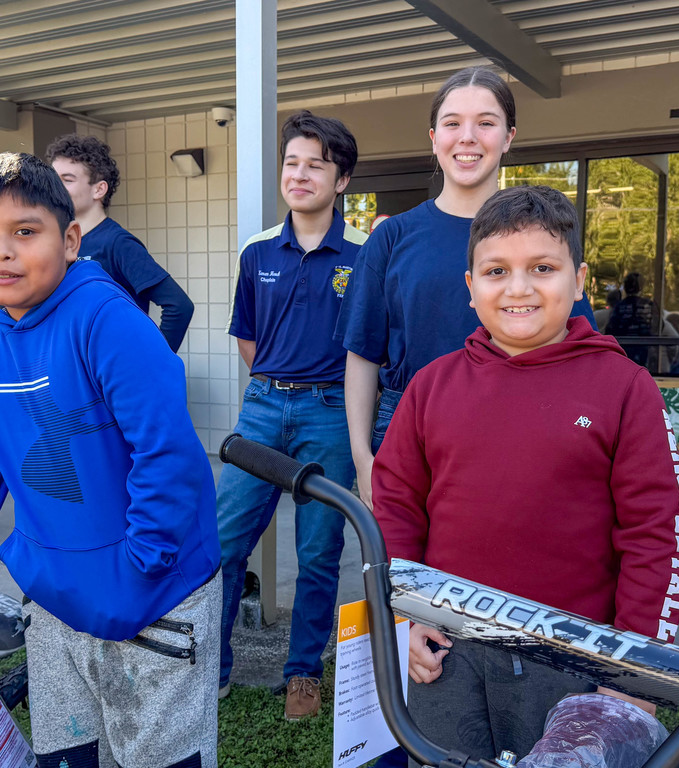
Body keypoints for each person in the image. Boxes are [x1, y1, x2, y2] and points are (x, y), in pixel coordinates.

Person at [372, 185, 679, 760]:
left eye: (542, 268)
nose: (518, 288)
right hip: (445, 651)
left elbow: (655, 535)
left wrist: (636, 672)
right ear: (471, 288)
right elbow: (395, 506)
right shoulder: (431, 386)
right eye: (496, 271)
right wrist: (404, 617)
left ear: (579, 280)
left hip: (575, 662)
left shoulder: (625, 388)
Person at [0, 152, 221, 767]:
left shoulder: (107, 319)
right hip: (53, 592)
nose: (5, 252)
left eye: (25, 231)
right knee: (71, 754)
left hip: (154, 595)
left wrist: (141, 567)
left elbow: (168, 453)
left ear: (70, 240)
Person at [338, 66, 595, 511]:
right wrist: (363, 458)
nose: (468, 137)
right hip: (406, 429)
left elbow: (579, 350)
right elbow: (362, 354)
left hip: (523, 421)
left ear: (509, 137)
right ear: (434, 137)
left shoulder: (541, 234)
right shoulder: (392, 238)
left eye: (486, 123)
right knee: (403, 557)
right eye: (453, 123)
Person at [217, 110, 367, 720]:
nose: (299, 175)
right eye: (291, 163)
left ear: (341, 180)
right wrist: (276, 384)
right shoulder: (257, 251)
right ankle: (211, 669)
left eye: (316, 166)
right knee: (223, 543)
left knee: (319, 551)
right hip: (261, 410)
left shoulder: (364, 253)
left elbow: (371, 347)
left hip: (330, 412)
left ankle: (303, 673)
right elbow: (247, 335)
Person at [46, 134, 194, 352]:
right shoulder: (59, 243)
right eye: (53, 180)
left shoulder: (117, 243)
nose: (55, 189)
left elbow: (179, 306)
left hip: (111, 367)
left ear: (99, 189)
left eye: (67, 180)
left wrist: (154, 360)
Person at [605, 271, 659, 367]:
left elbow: (610, 329)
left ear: (625, 287)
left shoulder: (619, 307)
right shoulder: (649, 305)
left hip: (624, 351)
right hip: (644, 350)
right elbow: (657, 326)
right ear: (641, 287)